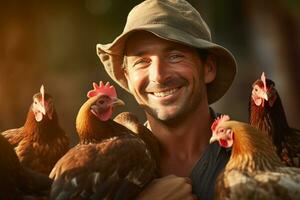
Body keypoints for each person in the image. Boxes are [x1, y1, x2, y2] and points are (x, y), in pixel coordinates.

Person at [96, 0, 237, 199]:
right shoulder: (102, 169)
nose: (159, 75)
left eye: (175, 56)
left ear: (208, 68)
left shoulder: (263, 156)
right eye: (142, 61)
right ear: (127, 77)